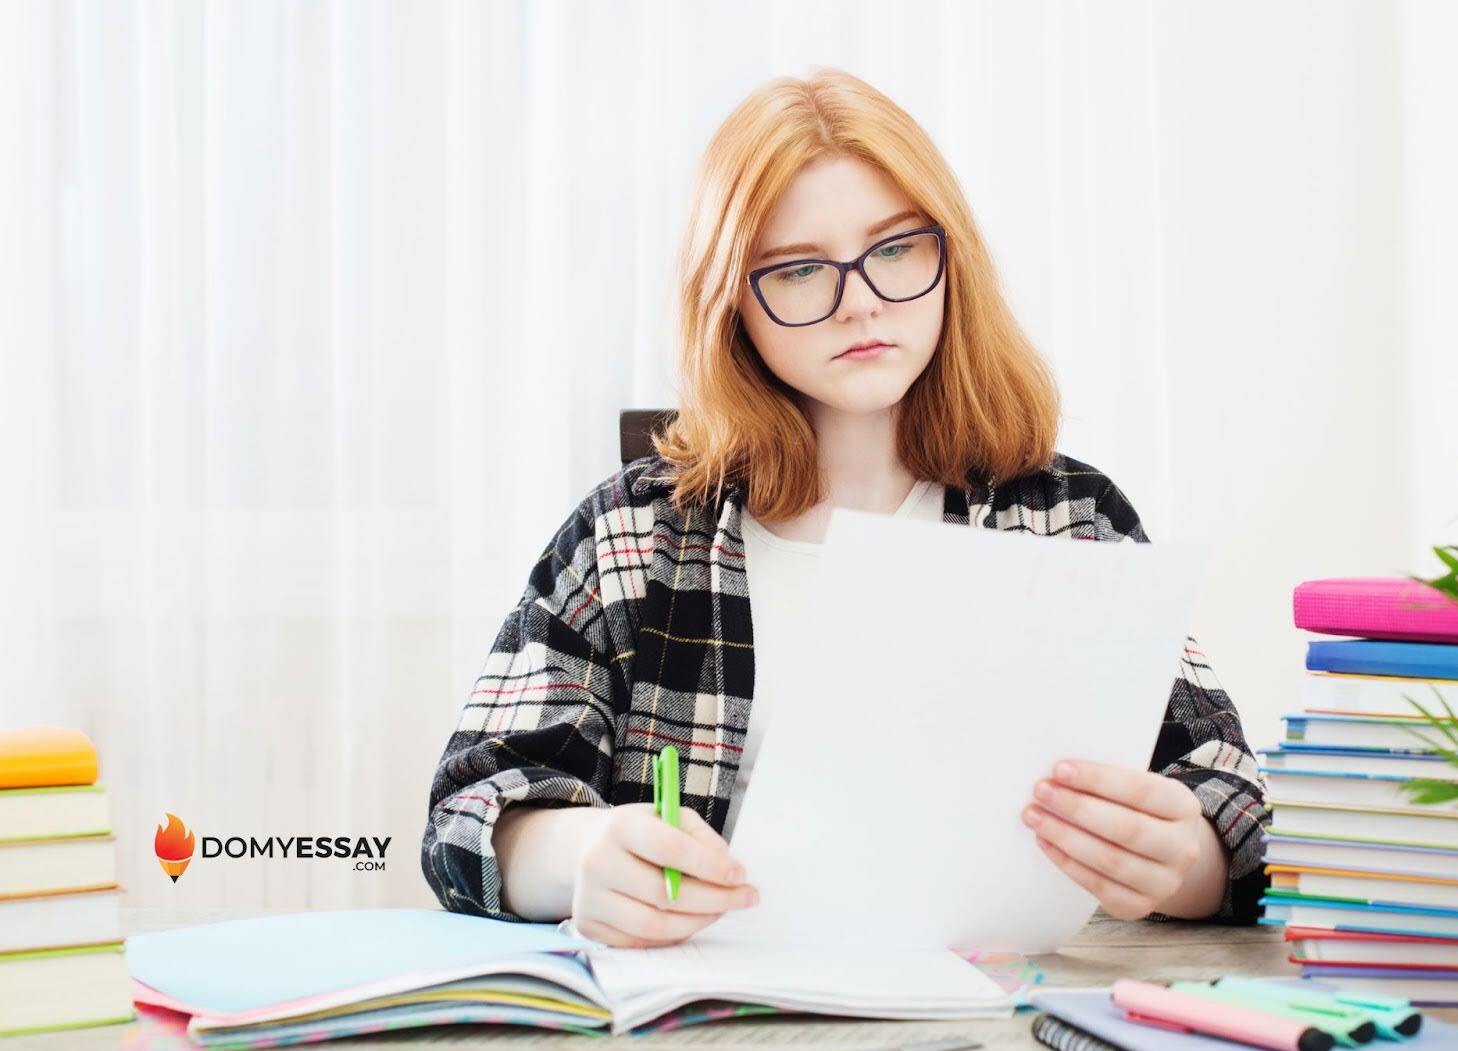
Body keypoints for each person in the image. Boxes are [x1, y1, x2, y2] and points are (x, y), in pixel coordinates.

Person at [421, 68, 1266, 948]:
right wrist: (578, 852)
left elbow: (1240, 806)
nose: (859, 300)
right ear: (731, 303)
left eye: (897, 249)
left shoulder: (1067, 518)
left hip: (1000, 1012)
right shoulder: (633, 535)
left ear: (952, 259)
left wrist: (1195, 863)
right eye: (798, 270)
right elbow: (467, 814)